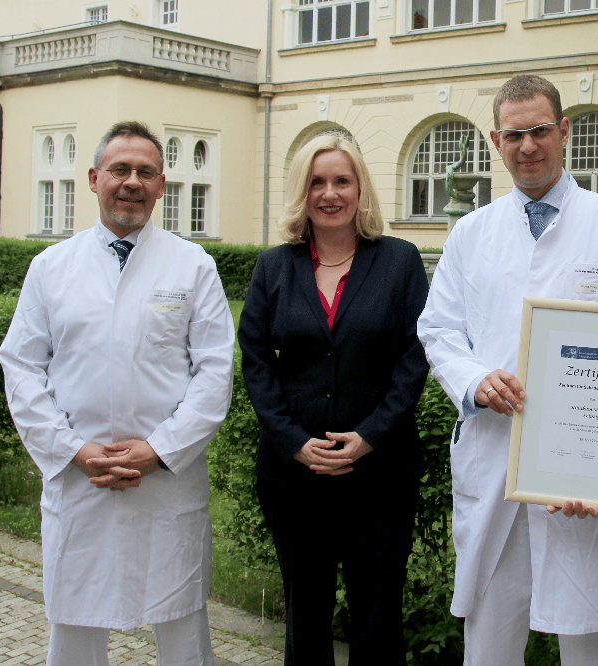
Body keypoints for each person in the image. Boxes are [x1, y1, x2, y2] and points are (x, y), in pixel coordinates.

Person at [417, 74, 598, 666]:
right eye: (514, 134)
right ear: (497, 141)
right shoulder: (471, 234)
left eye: (540, 130)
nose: (528, 145)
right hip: (495, 452)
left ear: (563, 131)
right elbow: (438, 330)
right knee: (490, 634)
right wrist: (473, 380)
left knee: (587, 638)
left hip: (585, 467)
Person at [0, 121, 235, 666]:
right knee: (76, 627)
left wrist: (160, 450)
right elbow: (22, 365)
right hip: (81, 479)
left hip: (166, 483)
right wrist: (70, 450)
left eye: (145, 172)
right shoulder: (50, 268)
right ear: (93, 178)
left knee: (181, 628)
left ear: (161, 184)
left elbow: (215, 371)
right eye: (120, 170)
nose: (132, 182)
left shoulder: (193, 266)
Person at [238, 134, 430, 665]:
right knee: (306, 607)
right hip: (295, 475)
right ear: (302, 193)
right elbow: (256, 361)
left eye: (341, 180)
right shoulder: (275, 267)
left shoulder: (399, 261)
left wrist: (370, 436)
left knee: (376, 608)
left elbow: (415, 356)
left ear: (360, 187)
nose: (329, 193)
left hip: (381, 471)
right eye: (316, 182)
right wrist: (294, 442)